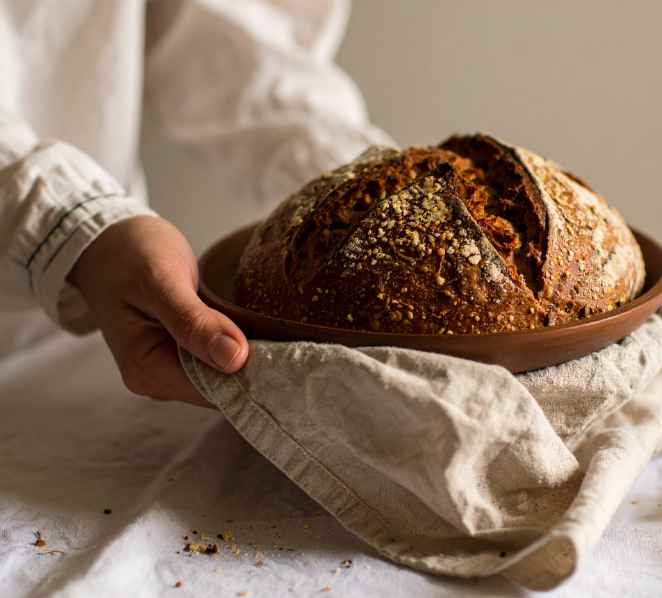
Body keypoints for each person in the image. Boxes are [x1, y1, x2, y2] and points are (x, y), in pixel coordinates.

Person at [0, 0, 391, 407]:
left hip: (87, 351)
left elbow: (226, 37)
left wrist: (353, 183)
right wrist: (73, 222)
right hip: (95, 287)